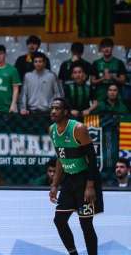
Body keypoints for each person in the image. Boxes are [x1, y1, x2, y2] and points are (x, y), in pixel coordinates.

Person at [49, 98, 104, 255]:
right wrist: (54, 185)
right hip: (69, 179)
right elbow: (60, 158)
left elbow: (92, 158)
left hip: (85, 178)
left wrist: (90, 185)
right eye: (52, 108)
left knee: (85, 224)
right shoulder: (52, 129)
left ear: (65, 112)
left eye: (57, 108)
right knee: (59, 221)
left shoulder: (78, 128)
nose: (53, 111)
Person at [91, 38, 126, 102]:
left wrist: (113, 77)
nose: (106, 49)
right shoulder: (96, 63)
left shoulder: (119, 63)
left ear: (112, 48)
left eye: (108, 46)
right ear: (101, 49)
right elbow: (92, 81)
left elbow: (123, 81)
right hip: (100, 97)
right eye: (104, 47)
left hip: (116, 98)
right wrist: (103, 78)